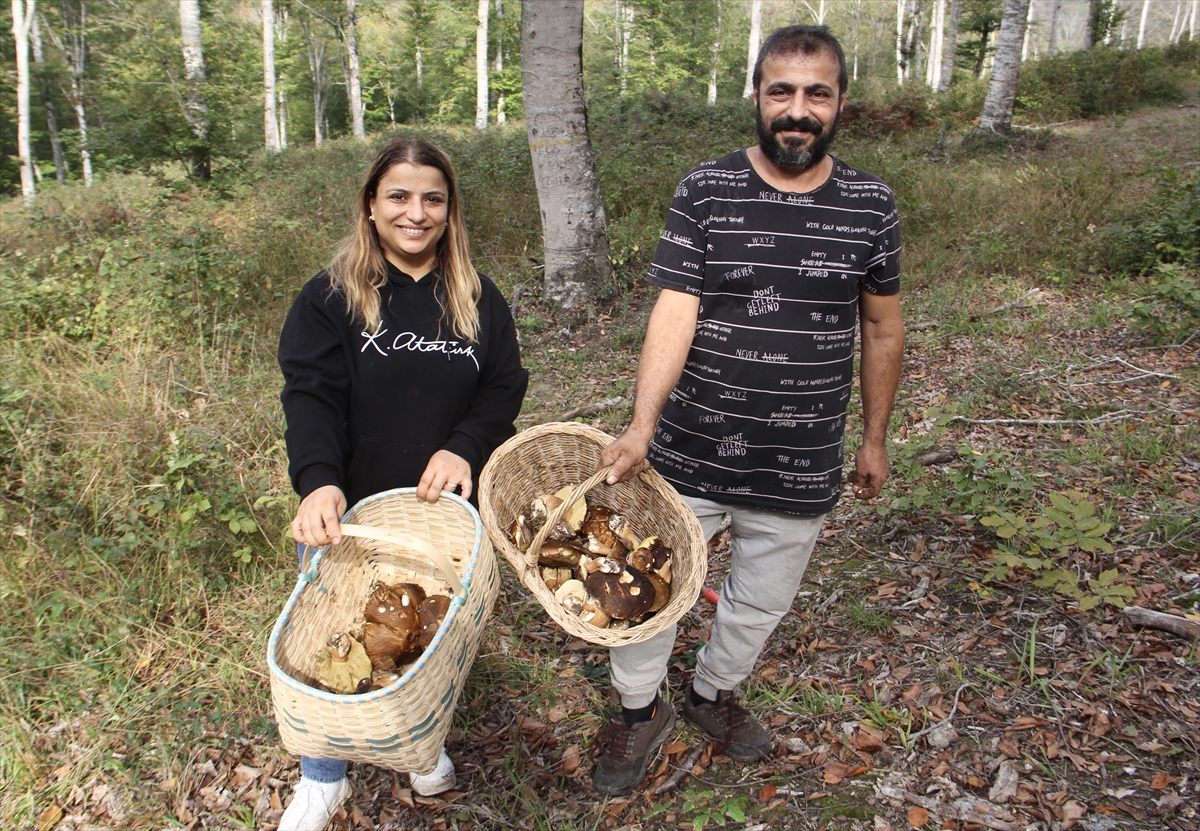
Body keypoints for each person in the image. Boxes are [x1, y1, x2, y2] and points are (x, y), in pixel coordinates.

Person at [591, 24, 905, 796]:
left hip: (800, 463)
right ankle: (637, 711)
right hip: (691, 453)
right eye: (782, 92)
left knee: (759, 602)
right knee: (642, 588)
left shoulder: (871, 203)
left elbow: (881, 324)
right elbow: (675, 309)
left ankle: (710, 694)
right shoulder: (707, 189)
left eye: (816, 93)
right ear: (757, 97)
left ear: (839, 103)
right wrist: (642, 424)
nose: (797, 110)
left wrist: (873, 437)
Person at [276, 137, 528, 831]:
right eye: (399, 196)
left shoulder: (475, 297)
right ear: (371, 204)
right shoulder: (331, 298)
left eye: (433, 199)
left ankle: (418, 742)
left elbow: (504, 385)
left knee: (426, 635)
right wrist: (318, 480)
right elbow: (311, 395)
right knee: (333, 636)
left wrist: (464, 447)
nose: (416, 212)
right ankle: (321, 777)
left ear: (450, 211)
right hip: (354, 511)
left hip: (442, 514)